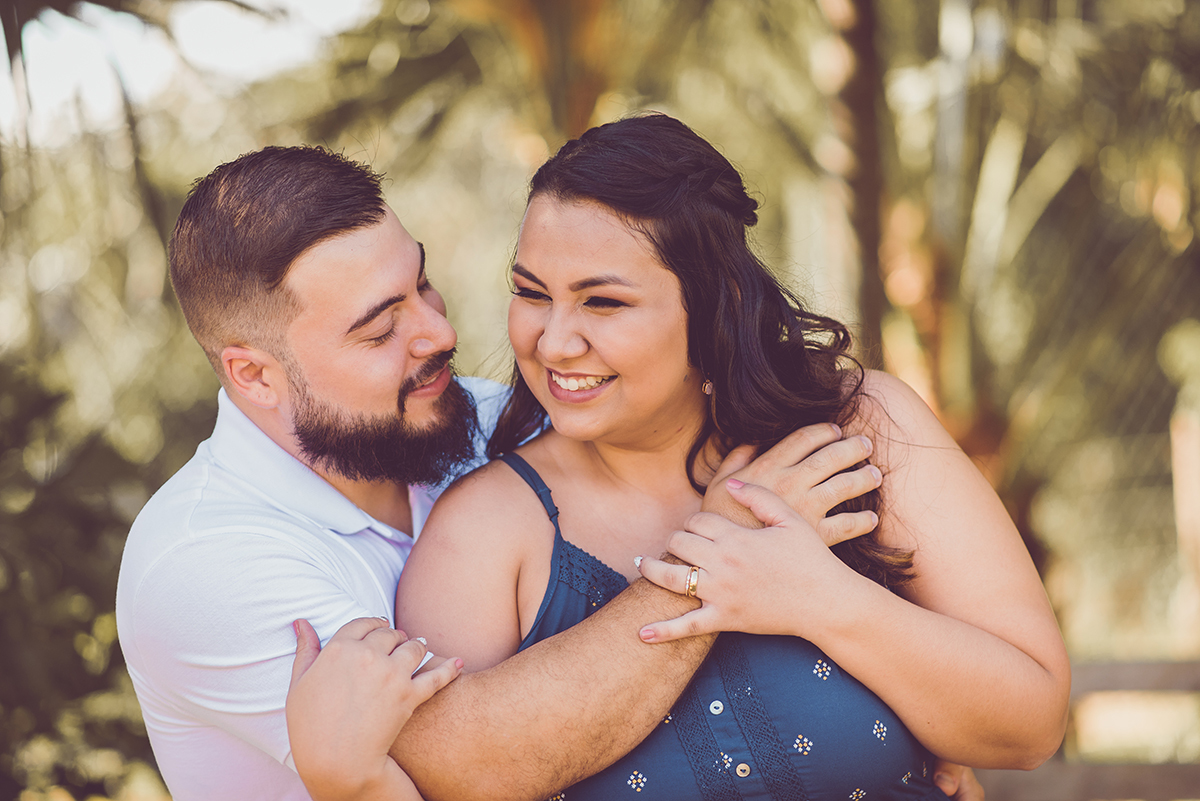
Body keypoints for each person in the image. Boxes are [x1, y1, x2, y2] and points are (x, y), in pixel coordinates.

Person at [291, 115, 1067, 799]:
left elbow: (1030, 722)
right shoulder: (490, 526)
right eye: (532, 292)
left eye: (604, 302)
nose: (554, 341)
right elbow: (451, 775)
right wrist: (709, 558)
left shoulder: (863, 429)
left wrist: (819, 596)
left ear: (717, 306)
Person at [115, 145, 901, 801]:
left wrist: (890, 721)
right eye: (381, 327)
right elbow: (471, 761)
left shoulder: (483, 420)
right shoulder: (206, 565)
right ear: (254, 375)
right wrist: (720, 550)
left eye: (421, 283)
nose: (440, 330)